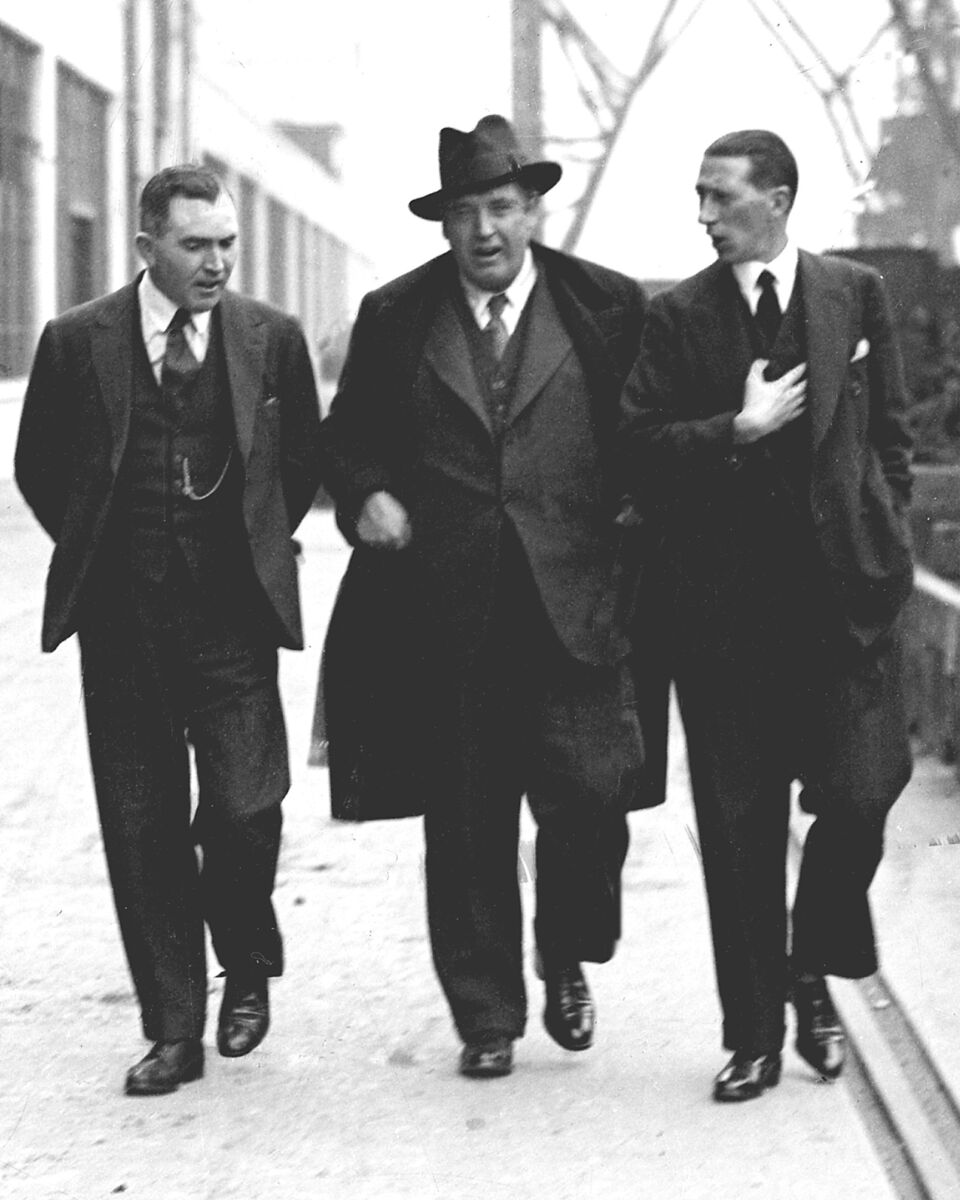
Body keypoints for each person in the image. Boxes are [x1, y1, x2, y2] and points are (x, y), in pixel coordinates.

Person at [317, 115, 654, 1079]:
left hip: (575, 607)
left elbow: (646, 429)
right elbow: (345, 437)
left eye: (501, 207)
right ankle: (487, 1016)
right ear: (444, 224)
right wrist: (366, 495)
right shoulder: (396, 314)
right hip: (448, 613)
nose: (485, 231)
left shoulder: (607, 304)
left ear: (533, 209)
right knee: (465, 822)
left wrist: (639, 513)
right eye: (464, 213)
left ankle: (567, 950)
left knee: (591, 798)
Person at [15, 164, 323, 1095]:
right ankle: (175, 1029)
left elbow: (298, 464)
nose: (217, 263)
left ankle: (247, 955)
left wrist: (253, 547)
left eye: (227, 243)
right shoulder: (77, 341)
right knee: (142, 824)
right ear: (147, 247)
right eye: (196, 246)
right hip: (124, 624)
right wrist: (106, 552)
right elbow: (40, 467)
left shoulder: (272, 337)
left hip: (232, 619)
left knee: (245, 806)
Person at [619, 130, 914, 1101]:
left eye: (721, 196)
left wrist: (880, 541)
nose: (704, 215)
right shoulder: (678, 316)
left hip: (840, 616)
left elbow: (891, 439)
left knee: (865, 791)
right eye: (699, 197)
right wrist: (736, 430)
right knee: (740, 830)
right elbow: (636, 444)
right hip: (724, 625)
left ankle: (810, 963)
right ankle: (753, 1035)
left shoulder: (853, 294)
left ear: (778, 198)